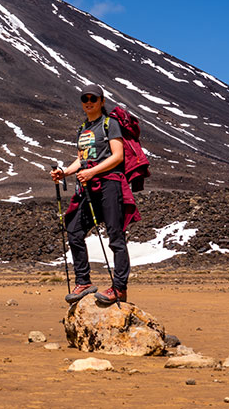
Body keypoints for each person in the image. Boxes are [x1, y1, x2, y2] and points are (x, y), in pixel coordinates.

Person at [50, 84, 140, 306]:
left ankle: (119, 288)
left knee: (115, 236)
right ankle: (84, 282)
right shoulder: (83, 129)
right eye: (84, 99)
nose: (88, 102)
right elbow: (82, 158)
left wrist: (92, 172)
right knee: (73, 229)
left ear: (101, 101)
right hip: (89, 186)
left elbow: (117, 156)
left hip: (110, 184)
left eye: (93, 98)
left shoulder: (110, 124)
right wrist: (65, 172)